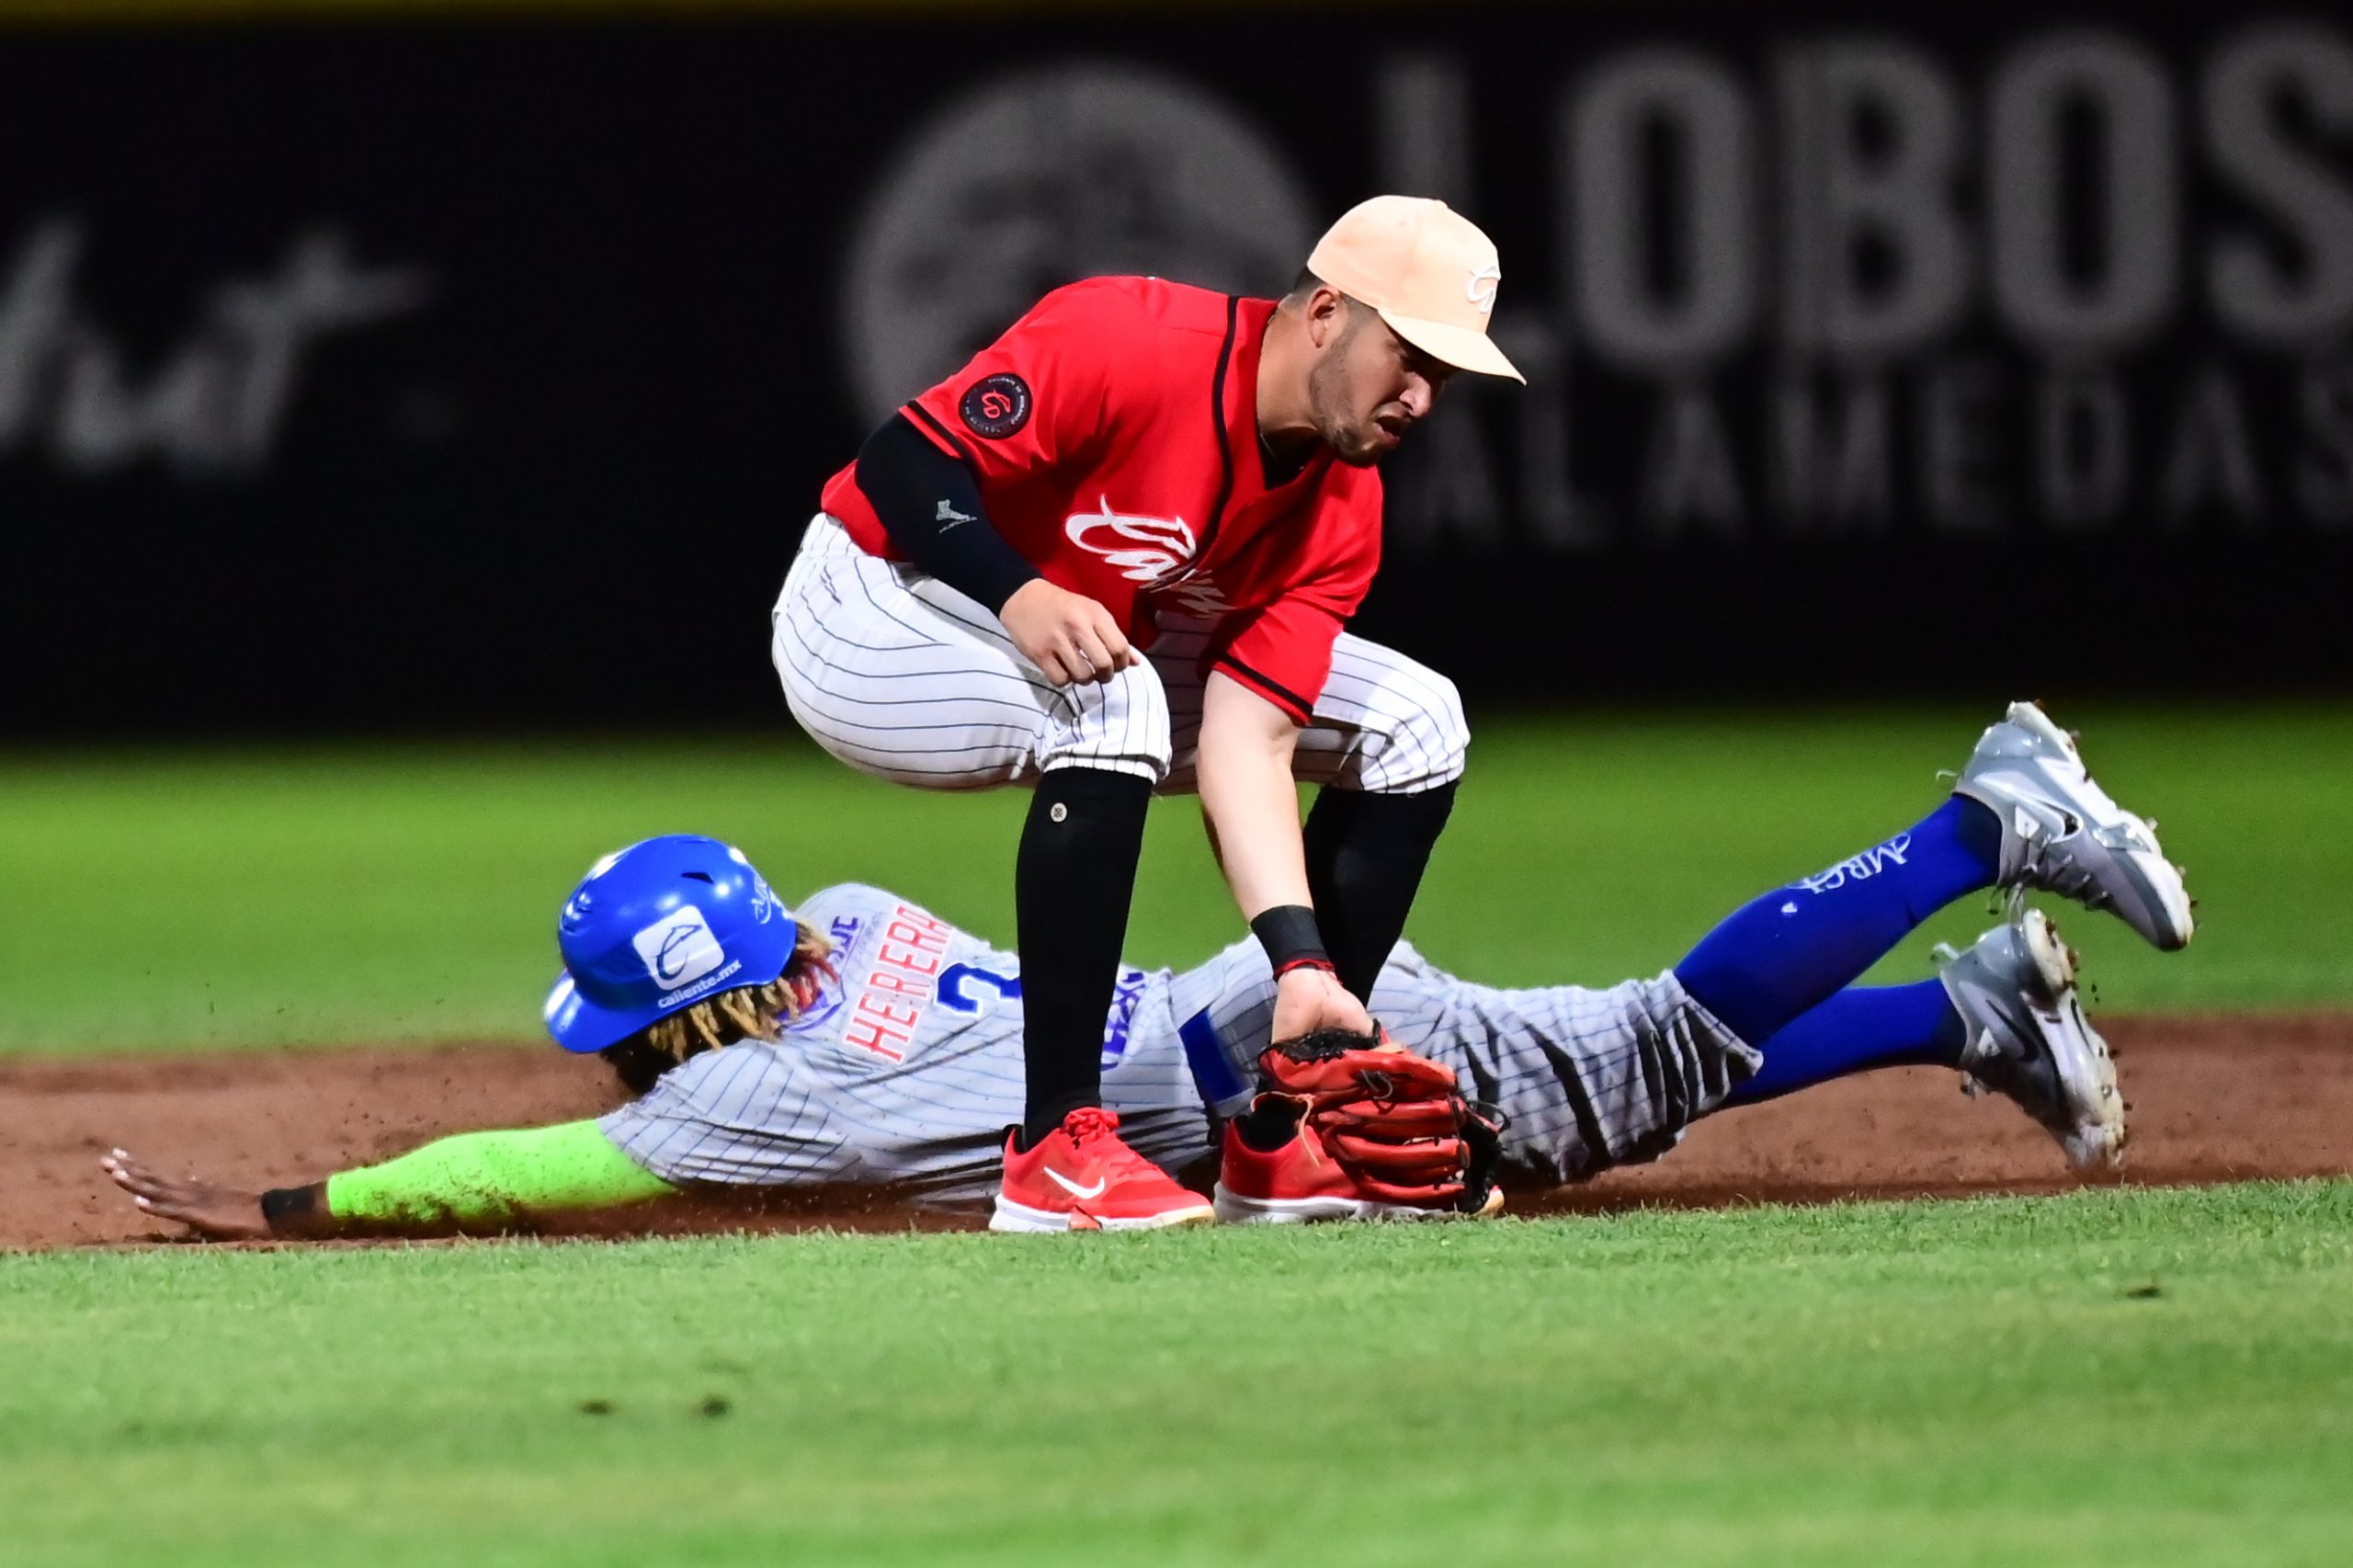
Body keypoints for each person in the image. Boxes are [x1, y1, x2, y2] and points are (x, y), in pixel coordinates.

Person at [104, 701, 2192, 1240]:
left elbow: (523, 1169)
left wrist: (304, 1201)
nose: (615, 1059)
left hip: (1278, 1061)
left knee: (1649, 1043)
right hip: (1236, 1030)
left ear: (683, 1010)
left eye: (627, 1021)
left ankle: (1974, 826)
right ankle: (1968, 1008)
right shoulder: (847, 914)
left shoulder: (753, 1096)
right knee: (1612, 1093)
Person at [771, 196, 1527, 1231]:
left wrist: (1300, 961)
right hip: (869, 606)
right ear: (1325, 314)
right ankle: (1053, 1152)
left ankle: (1288, 1127)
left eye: (1445, 375)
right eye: (1409, 356)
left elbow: (1246, 740)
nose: (1422, 397)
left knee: (1416, 718)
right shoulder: (1129, 339)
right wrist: (1016, 590)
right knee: (1113, 696)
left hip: (1070, 631)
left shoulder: (1342, 511)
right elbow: (901, 462)